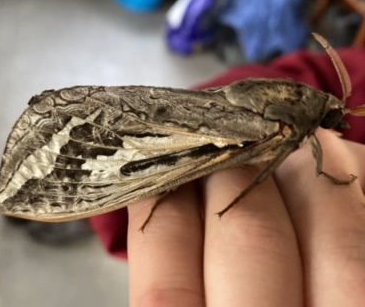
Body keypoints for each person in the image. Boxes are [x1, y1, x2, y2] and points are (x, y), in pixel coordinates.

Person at [89, 44, 365, 306]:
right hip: (140, 177)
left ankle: (94, 173)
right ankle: (93, 178)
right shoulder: (302, 120)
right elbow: (313, 78)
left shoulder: (303, 123)